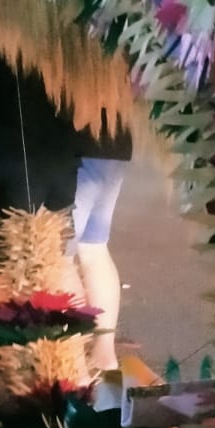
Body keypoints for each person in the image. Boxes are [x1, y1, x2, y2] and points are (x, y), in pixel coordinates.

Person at [0, 49, 83, 299]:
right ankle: (56, 335)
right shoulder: (69, 35)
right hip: (63, 167)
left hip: (8, 165)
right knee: (52, 270)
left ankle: (9, 336)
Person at [71, 114, 133, 372]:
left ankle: (72, 367)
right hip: (115, 141)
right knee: (94, 249)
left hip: (77, 144)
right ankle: (103, 354)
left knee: (59, 261)